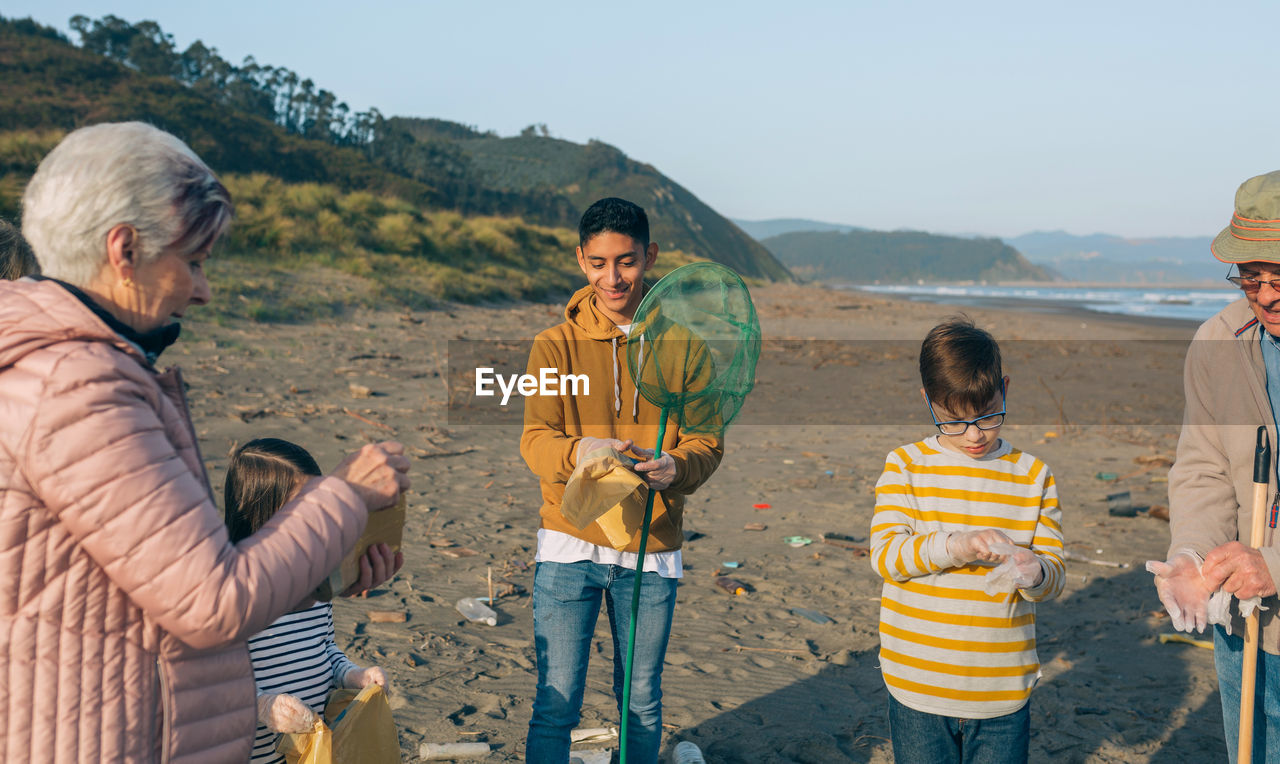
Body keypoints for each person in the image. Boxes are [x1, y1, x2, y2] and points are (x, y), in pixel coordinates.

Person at [0, 122, 409, 763]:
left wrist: (330, 569)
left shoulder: (64, 369)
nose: (204, 288)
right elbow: (212, 601)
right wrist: (345, 496)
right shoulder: (77, 385)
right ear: (124, 249)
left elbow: (154, 577)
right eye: (192, 261)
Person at [520, 197, 723, 763]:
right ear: (581, 260)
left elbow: (707, 443)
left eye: (627, 262)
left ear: (649, 256)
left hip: (650, 552)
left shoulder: (685, 348)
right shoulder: (553, 346)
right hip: (568, 542)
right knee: (556, 704)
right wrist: (583, 448)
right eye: (599, 263)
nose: (614, 278)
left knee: (641, 702)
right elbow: (535, 440)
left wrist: (676, 468)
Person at [869, 317, 1065, 764]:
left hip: (1002, 688)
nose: (974, 434)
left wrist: (1036, 571)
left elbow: (1054, 577)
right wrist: (955, 546)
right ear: (928, 401)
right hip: (918, 683)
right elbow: (885, 557)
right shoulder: (906, 466)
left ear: (1006, 389)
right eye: (955, 421)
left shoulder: (1033, 475)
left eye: (988, 415)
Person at [1152, 170, 1280, 761]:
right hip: (1248, 626)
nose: (1267, 294)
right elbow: (1201, 466)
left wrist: (1275, 564)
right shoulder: (1218, 340)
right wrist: (1192, 556)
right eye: (1252, 276)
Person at [222, 438, 392, 763]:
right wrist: (261, 706)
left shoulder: (316, 583)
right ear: (258, 513)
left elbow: (324, 647)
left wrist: (352, 674)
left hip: (309, 751)